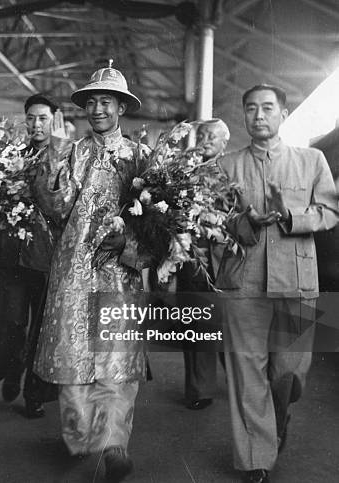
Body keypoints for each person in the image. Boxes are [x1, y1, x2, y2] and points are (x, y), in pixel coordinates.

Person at [216, 84, 339, 483]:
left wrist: (291, 216)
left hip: (299, 280)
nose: (259, 116)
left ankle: (277, 417)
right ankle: (256, 459)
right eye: (250, 109)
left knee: (290, 373)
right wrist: (244, 222)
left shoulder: (312, 160)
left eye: (267, 108)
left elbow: (330, 211)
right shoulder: (225, 166)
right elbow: (212, 221)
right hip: (242, 282)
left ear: (283, 114)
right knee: (247, 372)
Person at [33, 63, 149, 482]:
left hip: (120, 273)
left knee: (116, 358)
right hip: (73, 272)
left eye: (107, 101)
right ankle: (80, 438)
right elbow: (56, 206)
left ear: (121, 107)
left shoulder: (141, 156)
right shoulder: (71, 151)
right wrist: (53, 157)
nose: (99, 108)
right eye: (93, 101)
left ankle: (114, 443)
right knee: (73, 357)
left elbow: (157, 223)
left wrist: (130, 245)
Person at [0, 93, 64, 418]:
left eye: (43, 119)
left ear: (54, 121)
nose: (36, 125)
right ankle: (11, 369)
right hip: (13, 256)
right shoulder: (13, 156)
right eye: (31, 118)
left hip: (48, 256)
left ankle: (35, 393)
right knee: (10, 321)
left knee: (42, 329)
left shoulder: (65, 157)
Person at [180, 118, 230, 410]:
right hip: (192, 258)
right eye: (202, 135)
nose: (207, 140)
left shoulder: (233, 170)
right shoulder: (184, 171)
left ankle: (240, 380)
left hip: (226, 259)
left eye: (213, 136)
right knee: (196, 323)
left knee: (229, 325)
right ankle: (200, 390)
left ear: (225, 141)